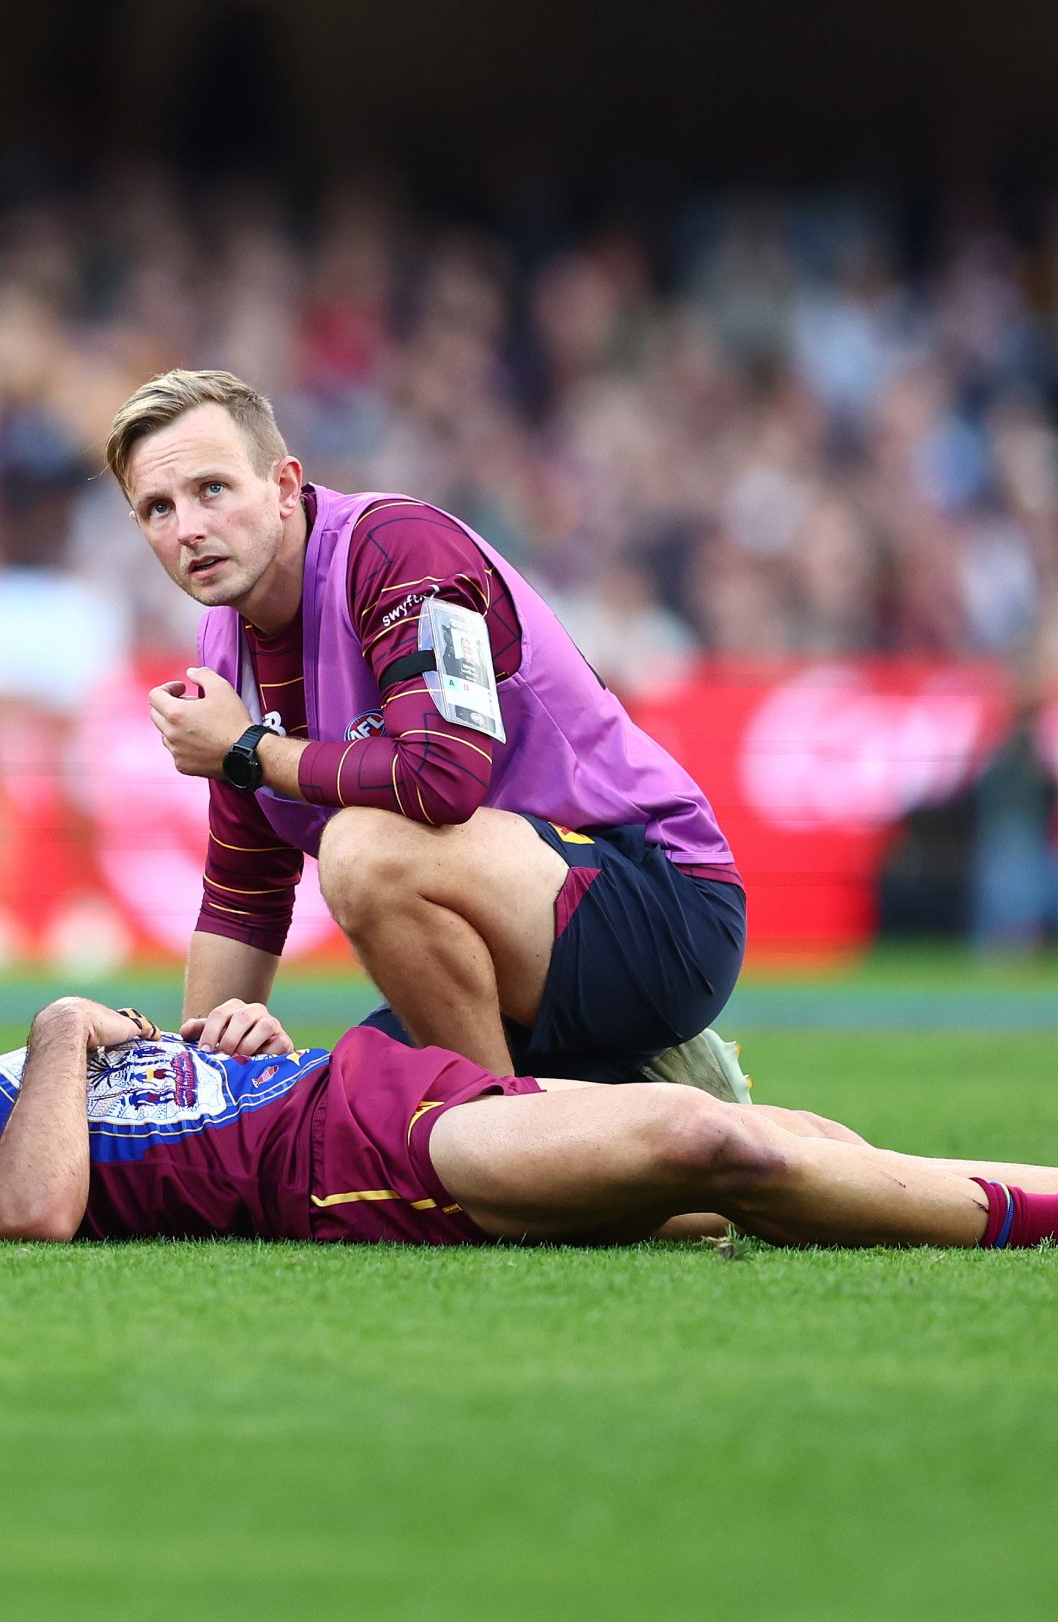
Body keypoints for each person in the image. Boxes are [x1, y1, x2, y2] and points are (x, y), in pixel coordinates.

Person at [116, 370, 749, 1096]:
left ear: (285, 485)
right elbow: (245, 891)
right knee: (347, 1105)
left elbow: (440, 778)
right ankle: (687, 1122)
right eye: (157, 508)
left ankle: (512, 1150)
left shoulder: (396, 550)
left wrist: (248, 752)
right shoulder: (224, 645)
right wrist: (193, 1087)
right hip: (513, 932)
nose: (187, 527)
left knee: (360, 848)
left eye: (212, 489)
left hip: (660, 902)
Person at [0, 998, 1058, 1255]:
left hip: (345, 1084)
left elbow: (97, 1127)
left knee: (779, 1137)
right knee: (727, 1149)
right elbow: (31, 1220)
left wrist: (213, 1028)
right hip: (336, 1157)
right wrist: (67, 1028)